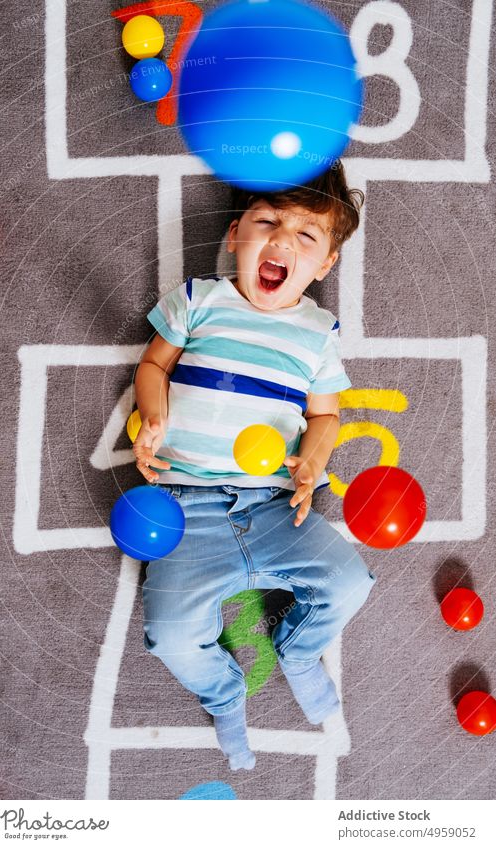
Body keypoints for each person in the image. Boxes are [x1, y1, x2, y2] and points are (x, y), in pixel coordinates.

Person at [132, 161, 376, 771]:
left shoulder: (318, 334)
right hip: (188, 510)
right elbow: (153, 367)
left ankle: (295, 652)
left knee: (350, 582)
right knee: (168, 634)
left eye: (306, 236)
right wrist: (153, 418)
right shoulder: (199, 300)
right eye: (267, 222)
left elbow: (325, 418)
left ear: (324, 266)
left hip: (271, 506)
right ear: (237, 233)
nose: (280, 242)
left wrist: (312, 464)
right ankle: (224, 689)